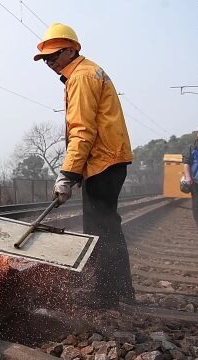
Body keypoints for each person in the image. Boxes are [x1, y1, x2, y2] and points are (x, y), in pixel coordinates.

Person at [33, 23, 135, 308]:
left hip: (103, 160)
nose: (50, 63)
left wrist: (67, 173)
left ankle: (106, 295)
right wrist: (76, 170)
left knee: (101, 228)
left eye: (54, 56)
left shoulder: (81, 77)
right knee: (107, 226)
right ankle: (120, 292)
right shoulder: (89, 71)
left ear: (71, 50)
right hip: (107, 158)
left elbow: (82, 131)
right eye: (46, 59)